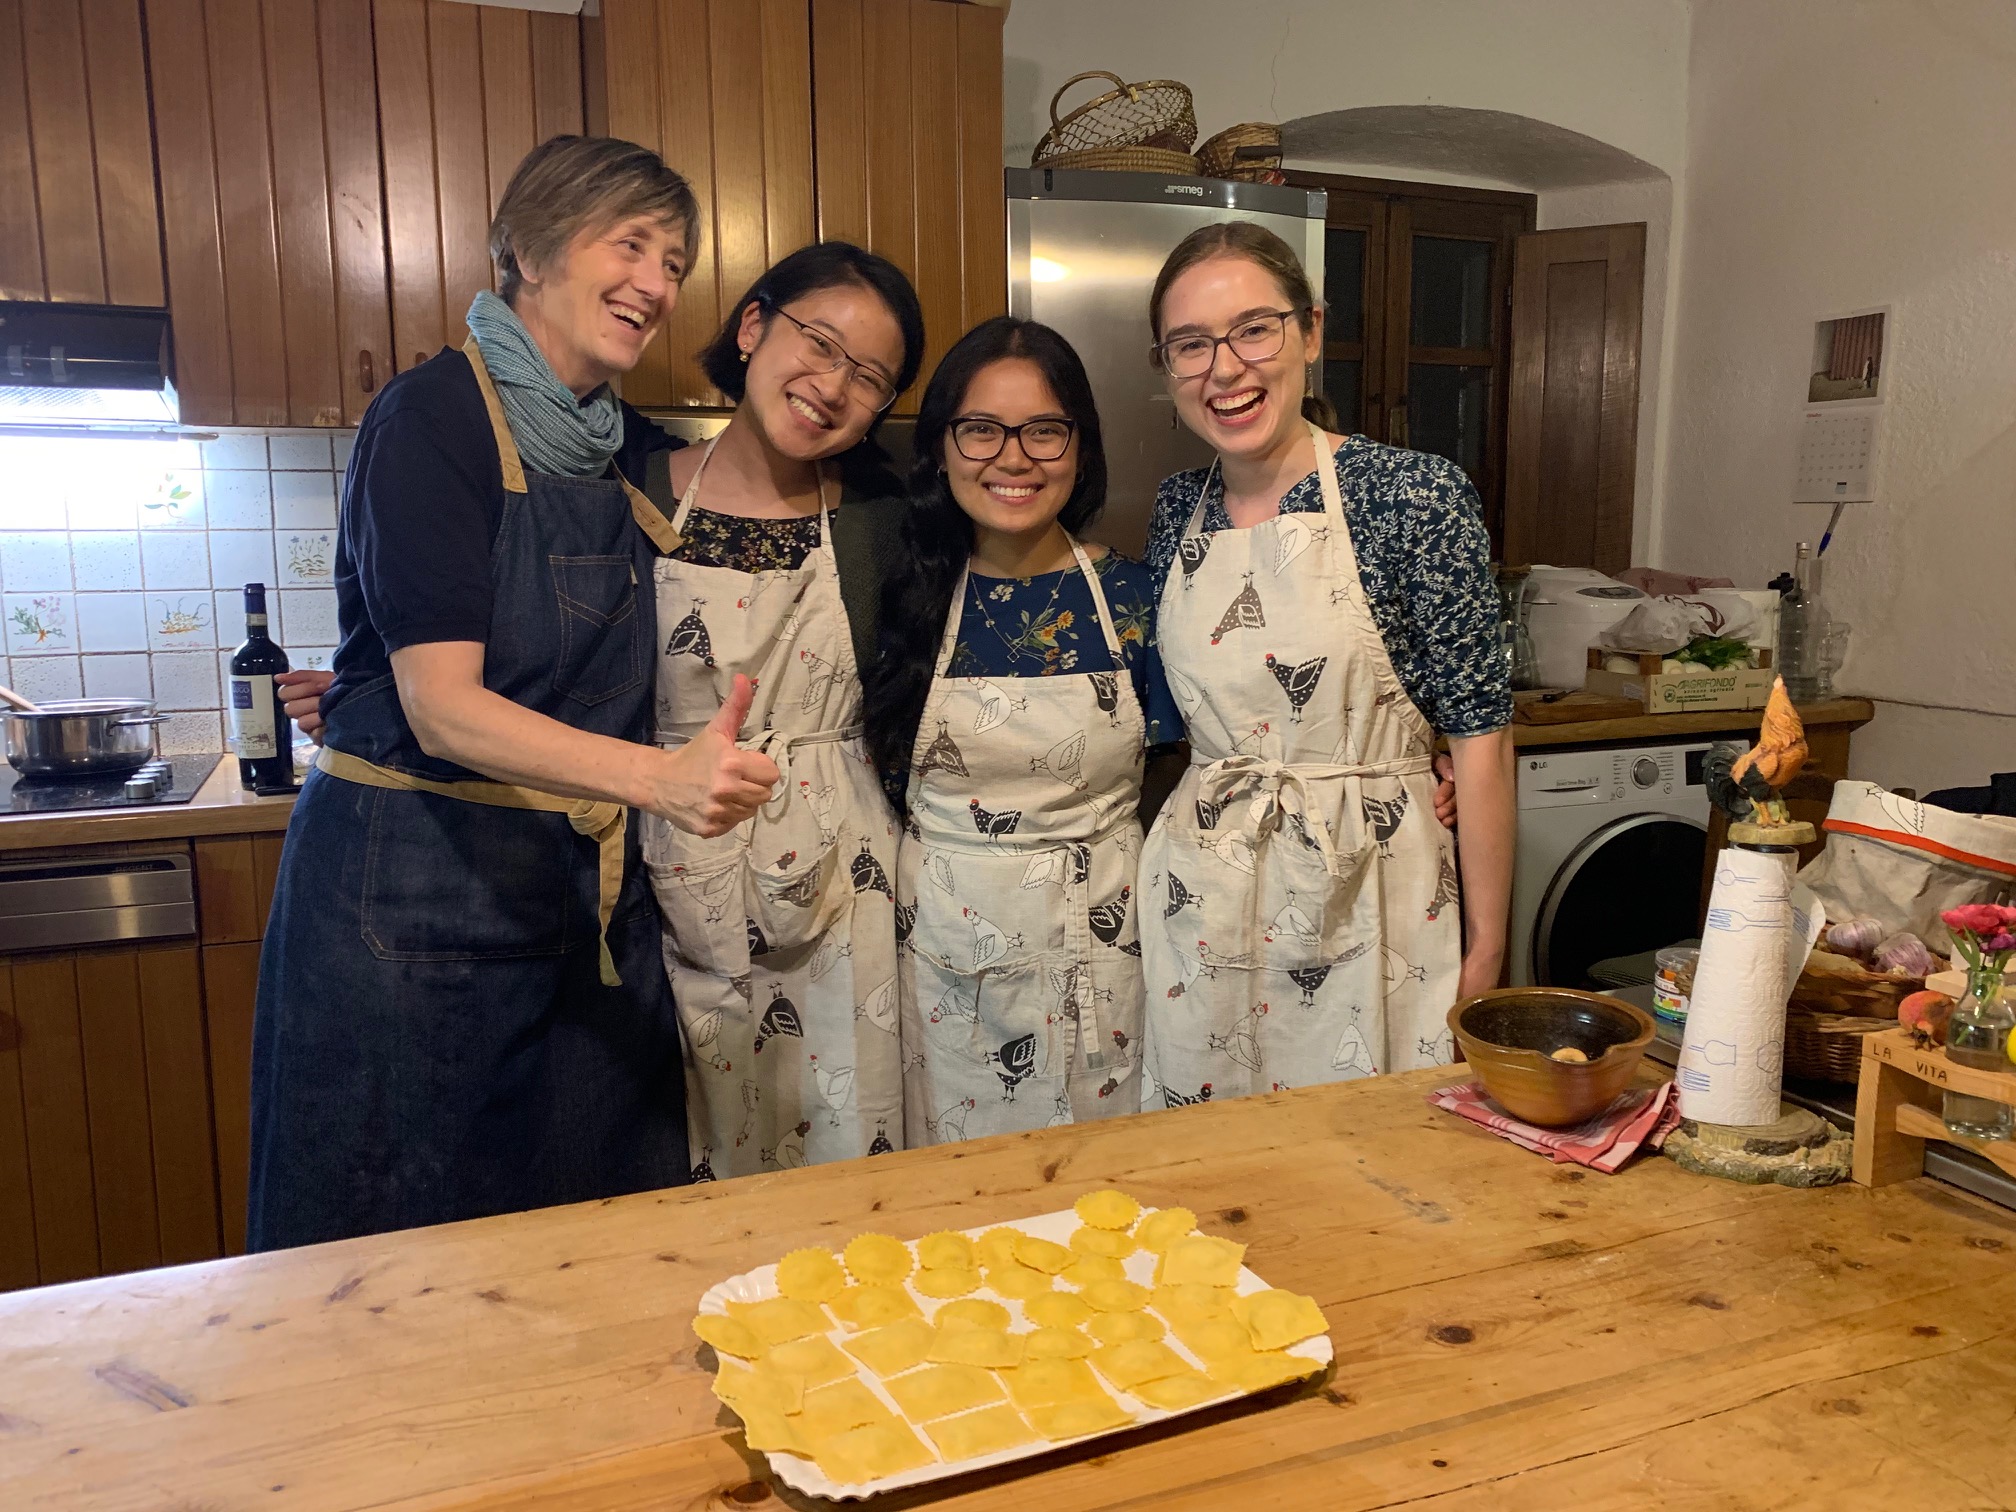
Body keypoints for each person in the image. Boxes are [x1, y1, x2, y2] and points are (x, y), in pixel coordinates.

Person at [246, 137, 778, 1249]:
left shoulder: (620, 447)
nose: (655, 284)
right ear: (531, 250)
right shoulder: (428, 418)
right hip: (414, 899)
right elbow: (442, 706)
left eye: (674, 263)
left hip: (574, 897)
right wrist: (662, 782)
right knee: (397, 1250)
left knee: (594, 1237)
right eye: (629, 245)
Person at [1136, 221, 1515, 1105]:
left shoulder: (1413, 494)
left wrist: (1485, 954)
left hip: (1376, 892)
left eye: (1253, 330)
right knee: (1209, 1156)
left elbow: (1483, 740)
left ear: (1309, 332)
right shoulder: (1174, 509)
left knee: (1376, 1149)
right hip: (1205, 898)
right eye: (1191, 344)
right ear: (1167, 367)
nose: (1224, 368)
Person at [645, 244, 925, 1178]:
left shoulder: (886, 517)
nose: (833, 387)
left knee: (848, 1139)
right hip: (669, 867)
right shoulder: (631, 490)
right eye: (820, 343)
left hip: (846, 881)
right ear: (754, 326)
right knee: (689, 1149)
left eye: (870, 377)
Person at [862, 318, 1179, 1142]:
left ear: (1080, 447)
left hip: (1103, 946)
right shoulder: (897, 598)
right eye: (981, 429)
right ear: (940, 448)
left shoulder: (1136, 598)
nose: (1014, 457)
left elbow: (1202, 758)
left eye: (1044, 430)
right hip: (941, 953)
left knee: (1105, 1180)